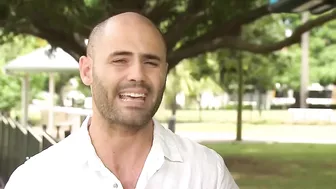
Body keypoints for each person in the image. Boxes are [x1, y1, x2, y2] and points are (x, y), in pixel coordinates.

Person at [5, 12, 239, 189]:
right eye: (120, 60)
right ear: (87, 71)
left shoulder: (207, 174)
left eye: (151, 62)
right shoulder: (35, 180)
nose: (137, 74)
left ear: (164, 72)